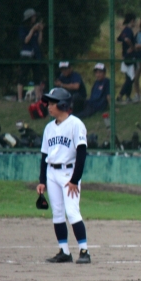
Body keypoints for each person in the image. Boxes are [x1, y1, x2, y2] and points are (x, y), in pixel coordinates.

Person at [36, 88, 92, 264]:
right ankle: (64, 251)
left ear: (62, 105)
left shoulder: (76, 124)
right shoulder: (49, 128)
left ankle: (84, 251)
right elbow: (45, 156)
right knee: (58, 213)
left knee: (72, 212)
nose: (49, 106)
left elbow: (81, 154)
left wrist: (75, 180)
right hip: (52, 173)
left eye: (52, 103)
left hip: (69, 173)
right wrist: (42, 180)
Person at [17, 8, 45, 102]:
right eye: (33, 17)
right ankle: (20, 98)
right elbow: (26, 40)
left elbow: (39, 42)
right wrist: (32, 30)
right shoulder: (23, 28)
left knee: (37, 77)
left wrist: (40, 31)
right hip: (26, 55)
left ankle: (37, 97)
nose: (35, 18)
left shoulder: (36, 29)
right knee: (23, 75)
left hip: (35, 55)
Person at [117, 13, 137, 102]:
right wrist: (132, 47)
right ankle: (120, 95)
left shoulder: (124, 30)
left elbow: (119, 39)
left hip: (125, 56)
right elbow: (127, 39)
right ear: (132, 20)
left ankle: (128, 96)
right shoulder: (129, 30)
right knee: (131, 78)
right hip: (130, 57)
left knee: (129, 77)